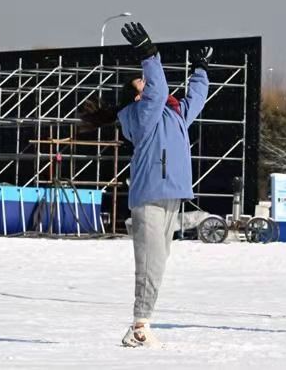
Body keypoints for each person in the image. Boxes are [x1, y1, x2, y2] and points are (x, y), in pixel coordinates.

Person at [80, 22, 210, 348]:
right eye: (144, 83)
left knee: (159, 262)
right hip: (151, 195)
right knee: (150, 263)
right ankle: (139, 326)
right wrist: (148, 54)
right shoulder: (141, 115)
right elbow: (159, 89)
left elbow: (196, 97)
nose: (149, 86)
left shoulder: (174, 115)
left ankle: (141, 324)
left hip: (172, 195)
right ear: (138, 95)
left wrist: (201, 69)